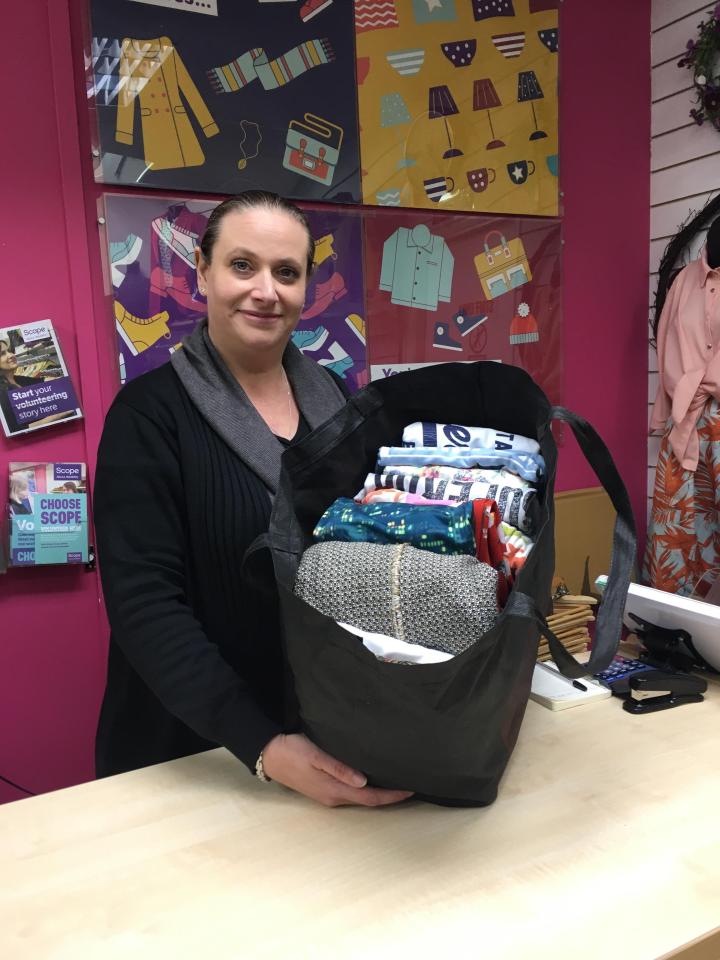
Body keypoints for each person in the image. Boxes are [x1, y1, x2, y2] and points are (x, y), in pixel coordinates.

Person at [94, 191, 412, 808]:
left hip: (326, 732)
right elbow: (146, 609)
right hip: (198, 752)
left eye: (286, 272)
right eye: (243, 266)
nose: (265, 291)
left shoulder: (340, 402)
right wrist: (262, 745)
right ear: (203, 273)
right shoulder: (148, 417)